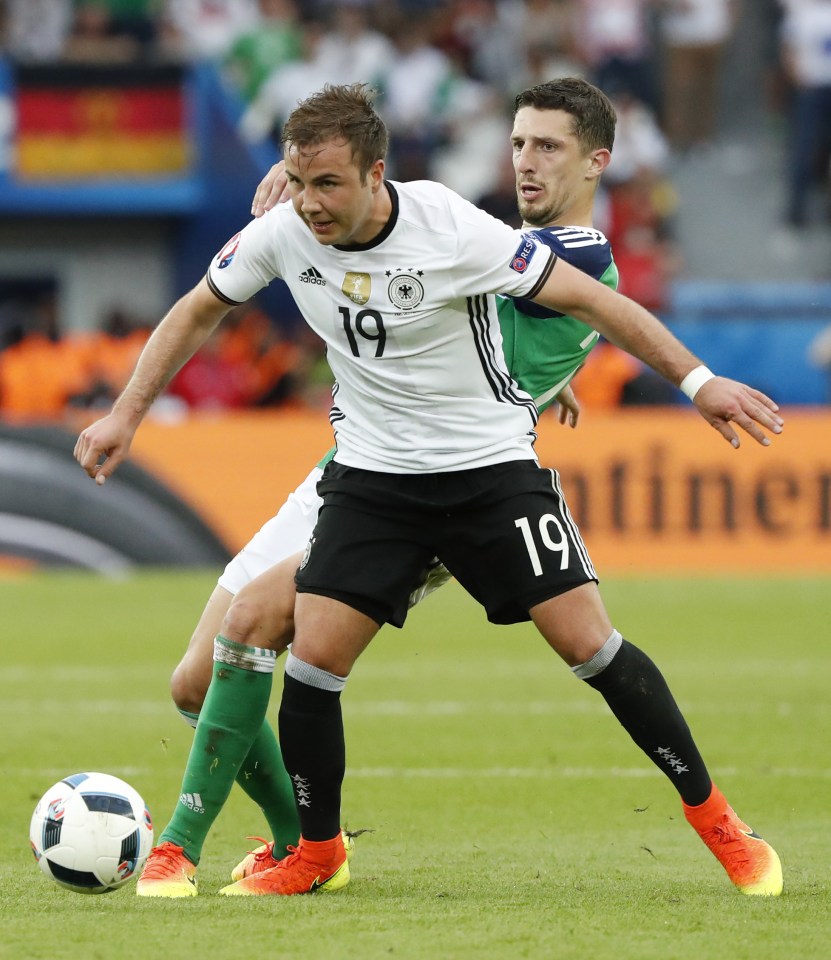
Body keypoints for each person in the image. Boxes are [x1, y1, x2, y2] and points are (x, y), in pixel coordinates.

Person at [75, 81, 784, 900]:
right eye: (517, 143)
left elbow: (588, 297)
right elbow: (199, 309)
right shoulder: (286, 230)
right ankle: (304, 849)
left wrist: (697, 383)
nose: (523, 161)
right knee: (306, 659)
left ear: (378, 175)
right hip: (368, 479)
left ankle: (721, 823)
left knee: (589, 645)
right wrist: (126, 413)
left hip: (487, 473)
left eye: (545, 146)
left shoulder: (467, 229)